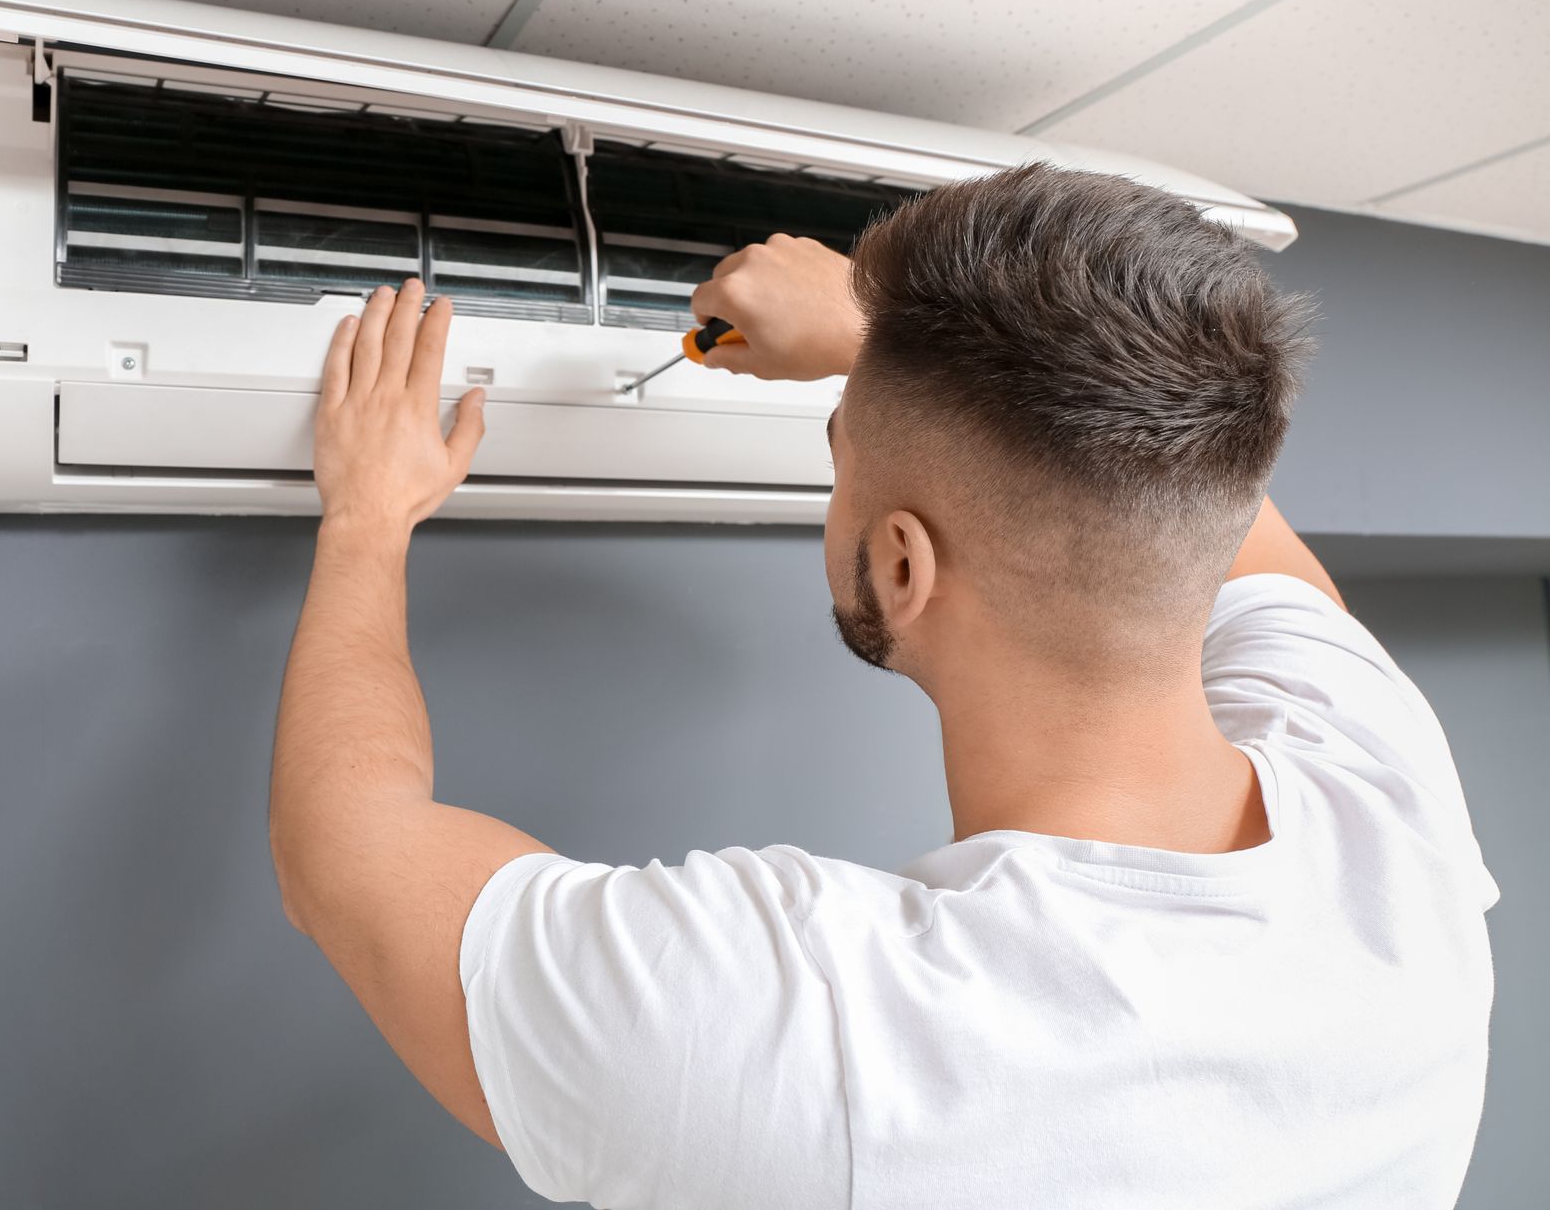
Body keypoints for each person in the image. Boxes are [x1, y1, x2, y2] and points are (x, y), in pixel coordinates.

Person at [267, 164, 1499, 1209]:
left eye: (835, 452)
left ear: (902, 564)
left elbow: (343, 846)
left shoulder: (823, 1034)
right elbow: (1219, 517)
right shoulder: (1388, 810)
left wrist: (371, 515)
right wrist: (898, 346)